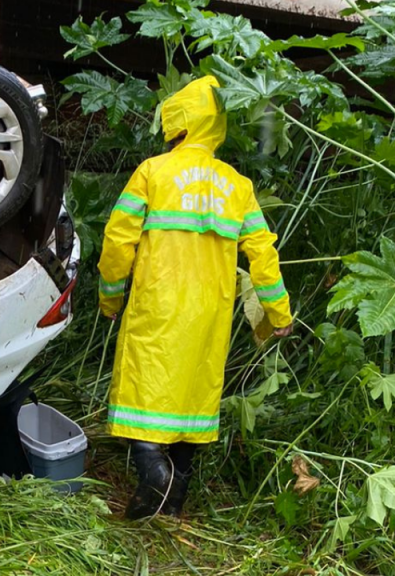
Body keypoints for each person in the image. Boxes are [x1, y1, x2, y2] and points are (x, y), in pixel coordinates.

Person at [97, 75, 294, 519]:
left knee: (147, 393)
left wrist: (110, 298)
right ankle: (173, 502)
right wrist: (278, 313)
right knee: (192, 398)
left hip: (158, 304)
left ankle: (153, 474)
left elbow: (117, 241)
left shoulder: (153, 172)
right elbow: (263, 252)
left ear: (177, 126)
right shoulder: (238, 186)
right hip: (210, 311)